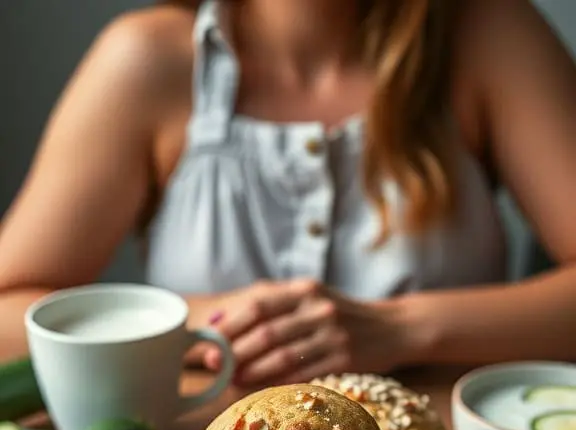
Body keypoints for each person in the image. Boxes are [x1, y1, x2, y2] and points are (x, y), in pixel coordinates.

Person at [0, 0, 575, 388]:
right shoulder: (146, 61)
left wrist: (401, 328)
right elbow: (8, 311)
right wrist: (196, 325)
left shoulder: (490, 34)